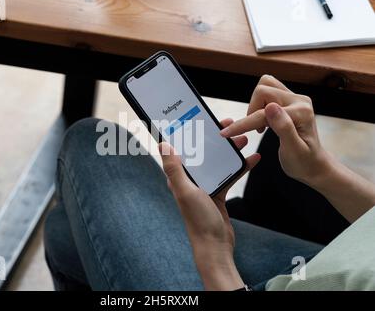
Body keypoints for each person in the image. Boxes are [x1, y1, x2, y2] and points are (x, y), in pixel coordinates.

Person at [44, 75, 375, 291]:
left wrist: (213, 254)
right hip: (332, 270)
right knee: (67, 231)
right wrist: (319, 170)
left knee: (90, 144)